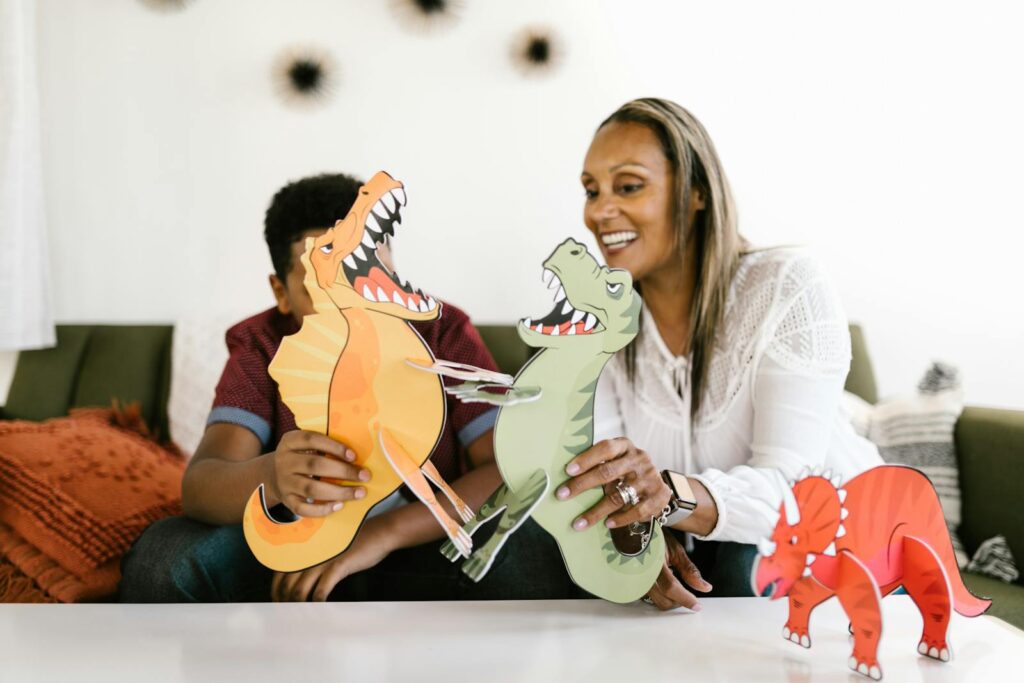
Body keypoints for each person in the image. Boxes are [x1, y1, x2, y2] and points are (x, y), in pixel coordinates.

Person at [120, 173, 582, 602]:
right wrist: (274, 475)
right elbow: (201, 486)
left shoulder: (443, 333)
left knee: (532, 545)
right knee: (166, 557)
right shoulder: (262, 346)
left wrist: (382, 535)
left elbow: (507, 468)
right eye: (323, 290)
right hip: (294, 557)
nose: (355, 307)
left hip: (423, 545)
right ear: (281, 292)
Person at [554, 98, 882, 610]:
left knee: (736, 558)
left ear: (696, 193)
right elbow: (601, 473)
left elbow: (794, 493)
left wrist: (667, 498)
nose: (599, 211)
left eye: (628, 186)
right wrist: (637, 528)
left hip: (855, 550)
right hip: (722, 559)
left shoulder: (785, 286)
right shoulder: (604, 324)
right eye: (591, 191)